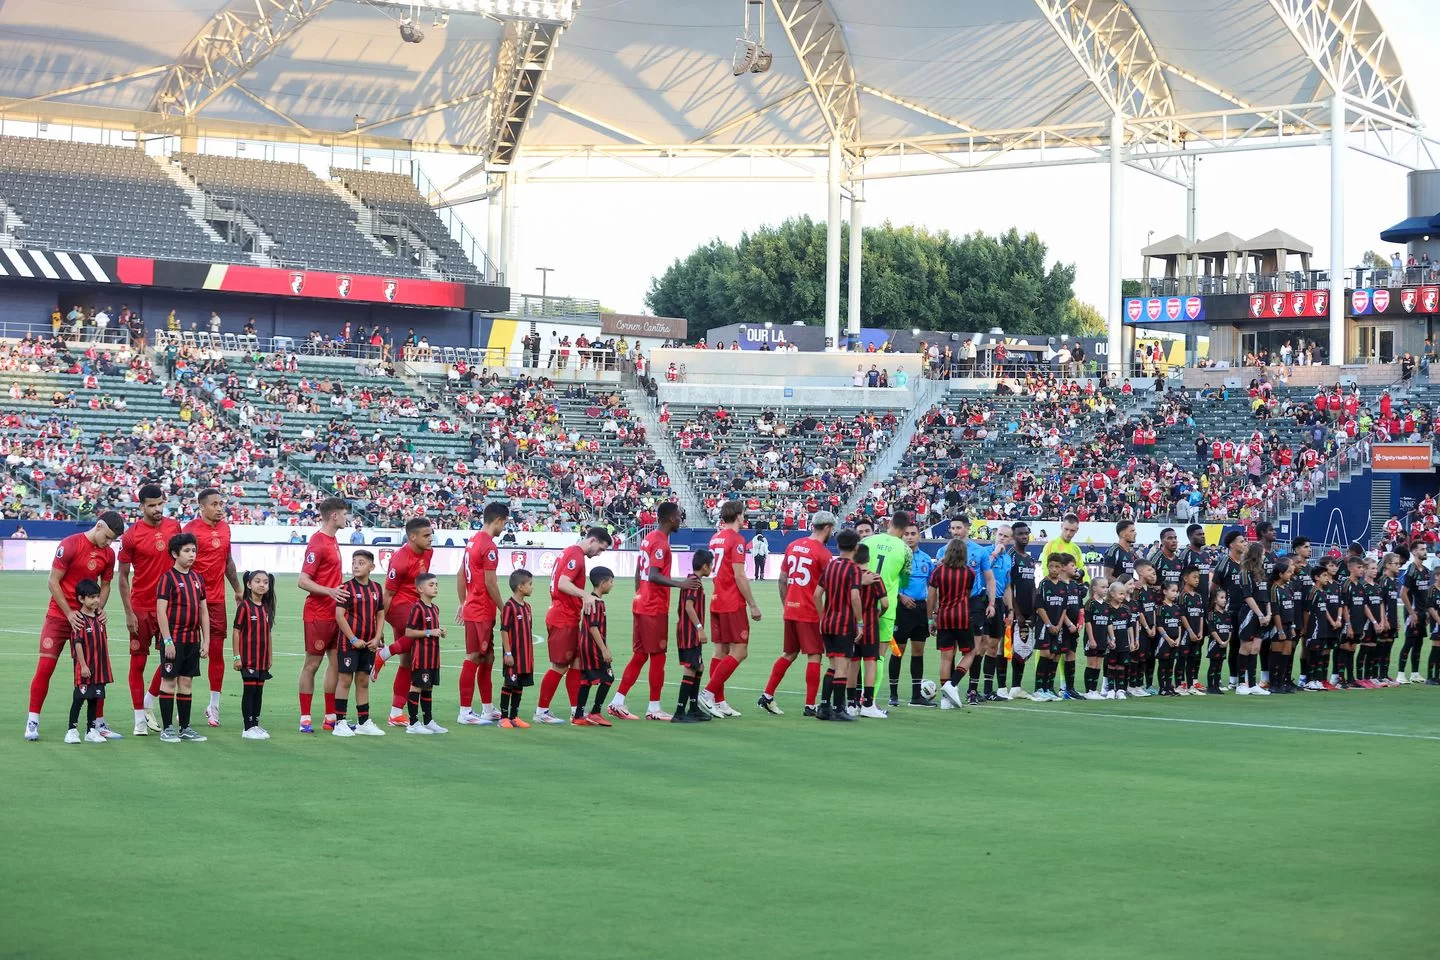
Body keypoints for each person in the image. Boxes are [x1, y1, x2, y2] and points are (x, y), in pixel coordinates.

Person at [25, 511, 123, 742]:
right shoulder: (70, 544)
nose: (108, 543)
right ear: (99, 526)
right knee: (45, 667)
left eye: (112, 540)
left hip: (88, 620)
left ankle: (97, 724)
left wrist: (97, 610)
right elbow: (53, 581)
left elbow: (106, 586)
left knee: (95, 672)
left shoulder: (109, 554)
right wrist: (70, 613)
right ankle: (32, 721)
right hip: (60, 616)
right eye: (107, 537)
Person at [610, 502, 698, 721]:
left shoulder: (648, 539)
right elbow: (653, 573)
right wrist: (680, 584)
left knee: (640, 655)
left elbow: (639, 572)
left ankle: (617, 702)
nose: (680, 519)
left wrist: (639, 594)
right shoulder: (660, 542)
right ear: (669, 519)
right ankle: (654, 708)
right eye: (678, 516)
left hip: (641, 603)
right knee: (658, 656)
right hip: (653, 607)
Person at [120, 484, 183, 737]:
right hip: (142, 607)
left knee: (172, 658)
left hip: (169, 606)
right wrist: (128, 612)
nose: (157, 509)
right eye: (152, 505)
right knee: (138, 662)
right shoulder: (131, 536)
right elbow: (122, 578)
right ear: (141, 506)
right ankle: (138, 720)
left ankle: (149, 700)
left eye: (160, 504)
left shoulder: (174, 527)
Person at [760, 511, 836, 716]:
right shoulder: (824, 554)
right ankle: (810, 705)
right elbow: (829, 588)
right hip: (810, 611)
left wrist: (786, 604)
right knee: (814, 656)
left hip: (791, 609)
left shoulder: (793, 545)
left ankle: (767, 695)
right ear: (827, 528)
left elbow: (782, 579)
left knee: (789, 653)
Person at [534, 527, 613, 725]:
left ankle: (576, 712)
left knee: (577, 664)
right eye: (600, 549)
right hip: (563, 616)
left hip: (567, 615)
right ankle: (541, 711)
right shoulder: (575, 555)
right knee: (559, 666)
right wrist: (585, 594)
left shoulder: (571, 553)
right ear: (592, 540)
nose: (599, 553)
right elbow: (562, 583)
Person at [698, 501, 763, 719]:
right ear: (737, 516)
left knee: (720, 652)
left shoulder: (715, 537)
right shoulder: (736, 539)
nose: (745, 518)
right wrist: (752, 604)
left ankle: (719, 701)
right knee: (740, 651)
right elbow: (739, 574)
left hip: (716, 599)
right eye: (743, 515)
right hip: (731, 602)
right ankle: (708, 693)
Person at [370, 517, 435, 727]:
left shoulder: (428, 552)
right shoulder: (399, 560)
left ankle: (396, 713)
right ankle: (383, 654)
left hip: (415, 606)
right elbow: (387, 594)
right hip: (397, 606)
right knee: (422, 632)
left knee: (407, 662)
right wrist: (378, 628)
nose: (430, 538)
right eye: (426, 535)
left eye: (431, 534)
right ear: (412, 537)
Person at [184, 488, 240, 729]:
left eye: (221, 503)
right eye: (215, 504)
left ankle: (214, 705)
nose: (220, 508)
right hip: (190, 600)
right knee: (186, 653)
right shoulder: (190, 530)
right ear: (202, 507)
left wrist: (237, 588)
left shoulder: (226, 529)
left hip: (216, 600)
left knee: (216, 652)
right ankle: (182, 702)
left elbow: (227, 562)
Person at [297, 498, 351, 734]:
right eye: (344, 514)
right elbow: (303, 580)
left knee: (337, 664)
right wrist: (330, 591)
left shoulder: (333, 540)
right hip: (318, 614)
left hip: (335, 614)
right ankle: (305, 717)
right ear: (334, 516)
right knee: (312, 664)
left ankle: (331, 717)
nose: (347, 518)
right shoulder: (318, 543)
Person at [457, 503, 509, 726]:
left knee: (488, 657)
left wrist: (462, 602)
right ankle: (465, 712)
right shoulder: (488, 546)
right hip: (481, 610)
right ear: (497, 520)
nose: (504, 527)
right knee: (474, 657)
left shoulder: (472, 541)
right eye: (505, 523)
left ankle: (487, 709)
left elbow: (461, 573)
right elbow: (490, 582)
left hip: (475, 607)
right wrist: (503, 607)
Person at [155, 532, 209, 742]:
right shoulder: (167, 579)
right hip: (174, 640)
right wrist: (167, 640)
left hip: (192, 641)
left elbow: (204, 611)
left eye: (193, 550)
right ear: (175, 554)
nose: (191, 555)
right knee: (168, 682)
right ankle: (167, 728)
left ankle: (185, 728)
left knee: (186, 683)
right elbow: (161, 611)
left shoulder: (197, 578)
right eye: (186, 551)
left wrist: (205, 640)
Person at [860, 511, 914, 701]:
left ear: (889, 522)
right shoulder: (906, 550)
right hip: (886, 606)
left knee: (856, 652)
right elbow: (905, 582)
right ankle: (869, 700)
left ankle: (852, 698)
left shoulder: (868, 541)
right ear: (906, 528)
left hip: (860, 604)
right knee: (879, 655)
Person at [332, 551, 386, 737]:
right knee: (345, 680)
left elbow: (380, 614)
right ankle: (340, 722)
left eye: (361, 563)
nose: (356, 566)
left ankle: (363, 721)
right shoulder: (346, 588)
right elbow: (339, 616)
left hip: (369, 644)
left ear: (371, 567)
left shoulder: (377, 588)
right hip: (349, 644)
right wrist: (353, 639)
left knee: (363, 681)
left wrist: (377, 637)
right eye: (354, 562)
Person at [815, 528, 864, 721]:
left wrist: (822, 617)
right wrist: (859, 622)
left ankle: (824, 707)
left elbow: (817, 595)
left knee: (833, 665)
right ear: (856, 547)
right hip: (844, 623)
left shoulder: (830, 566)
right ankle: (838, 708)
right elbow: (854, 597)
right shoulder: (853, 569)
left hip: (828, 622)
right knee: (843, 665)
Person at [928, 536, 977, 709]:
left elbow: (931, 597)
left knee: (946, 657)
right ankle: (952, 684)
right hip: (962, 616)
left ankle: (945, 700)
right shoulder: (970, 572)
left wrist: (931, 618)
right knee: (970, 653)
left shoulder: (938, 571)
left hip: (943, 617)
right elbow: (968, 594)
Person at [890, 521, 936, 707]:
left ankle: (916, 696)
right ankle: (893, 695)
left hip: (920, 608)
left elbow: (932, 586)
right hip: (901, 608)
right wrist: (901, 596)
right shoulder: (897, 556)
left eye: (913, 533)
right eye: (906, 533)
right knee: (897, 652)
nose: (909, 536)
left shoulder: (926, 559)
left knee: (918, 652)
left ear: (919, 536)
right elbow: (889, 581)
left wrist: (932, 612)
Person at [65, 580, 112, 744]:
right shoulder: (79, 619)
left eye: (97, 596)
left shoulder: (100, 618)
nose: (96, 600)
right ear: (81, 599)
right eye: (91, 597)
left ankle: (91, 730)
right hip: (85, 667)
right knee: (79, 698)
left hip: (99, 668)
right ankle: (71, 729)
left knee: (94, 698)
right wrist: (83, 665)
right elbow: (77, 643)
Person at [400, 573, 446, 734]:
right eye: (431, 585)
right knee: (417, 686)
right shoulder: (417, 608)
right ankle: (413, 723)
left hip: (434, 657)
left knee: (428, 688)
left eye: (436, 585)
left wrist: (439, 631)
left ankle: (428, 721)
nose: (435, 587)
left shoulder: (435, 608)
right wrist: (429, 632)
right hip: (422, 656)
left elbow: (433, 629)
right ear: (420, 589)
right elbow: (409, 632)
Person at [233, 570, 276, 740]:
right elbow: (236, 632)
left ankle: (255, 724)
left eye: (265, 582)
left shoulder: (266, 608)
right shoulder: (244, 606)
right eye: (257, 581)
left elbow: (268, 633)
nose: (261, 585)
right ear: (249, 585)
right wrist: (237, 656)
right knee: (249, 691)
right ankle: (247, 726)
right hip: (248, 658)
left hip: (261, 659)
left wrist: (270, 656)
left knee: (259, 692)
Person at [848, 543, 889, 717]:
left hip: (852, 624)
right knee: (870, 662)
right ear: (869, 558)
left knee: (853, 663)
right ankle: (868, 704)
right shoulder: (874, 578)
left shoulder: (850, 577)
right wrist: (880, 612)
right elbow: (885, 603)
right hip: (871, 624)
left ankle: (851, 704)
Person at [672, 550, 713, 723]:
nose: (711, 568)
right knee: (691, 667)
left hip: (687, 630)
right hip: (690, 633)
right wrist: (699, 628)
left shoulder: (692, 580)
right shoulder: (694, 583)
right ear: (704, 566)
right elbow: (689, 607)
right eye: (710, 565)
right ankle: (679, 712)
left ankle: (693, 707)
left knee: (699, 666)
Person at [572, 567, 616, 726]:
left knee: (586, 680)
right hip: (592, 647)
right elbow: (593, 627)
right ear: (603, 583)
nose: (612, 585)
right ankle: (595, 712)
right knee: (609, 677)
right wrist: (604, 649)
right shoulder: (594, 601)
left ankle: (578, 716)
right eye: (611, 582)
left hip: (586, 645)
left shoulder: (591, 599)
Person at [498, 569, 537, 728]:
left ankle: (514, 716)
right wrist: (508, 653)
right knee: (509, 684)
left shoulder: (527, 607)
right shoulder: (509, 606)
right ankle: (503, 717)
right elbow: (504, 630)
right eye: (530, 584)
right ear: (521, 587)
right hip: (513, 655)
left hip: (525, 656)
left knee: (520, 685)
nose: (532, 587)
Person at [1003, 522, 1037, 699]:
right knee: (1006, 648)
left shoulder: (1030, 559)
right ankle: (1002, 687)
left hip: (1027, 611)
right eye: (1020, 534)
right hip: (1012, 610)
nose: (1024, 536)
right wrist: (1015, 612)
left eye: (1026, 533)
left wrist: (1033, 609)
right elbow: (1008, 586)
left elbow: (1032, 586)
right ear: (1013, 537)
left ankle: (1016, 686)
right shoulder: (1011, 556)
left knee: (1022, 648)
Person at [1398, 541, 1435, 684]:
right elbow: (1403, 593)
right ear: (1414, 552)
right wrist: (1411, 612)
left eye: (1425, 549)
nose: (1425, 551)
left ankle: (1415, 673)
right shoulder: (1411, 570)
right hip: (1412, 614)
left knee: (1419, 643)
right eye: (1422, 549)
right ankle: (1401, 674)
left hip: (1423, 614)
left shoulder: (1425, 571)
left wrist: (1426, 613)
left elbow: (1424, 594)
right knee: (1409, 642)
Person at [1081, 576, 1110, 699]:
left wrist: (1110, 639)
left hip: (1102, 639)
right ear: (1094, 588)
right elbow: (1088, 623)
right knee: (1091, 664)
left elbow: (1108, 623)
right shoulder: (1090, 603)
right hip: (1092, 639)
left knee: (1098, 665)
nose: (1105, 590)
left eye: (1107, 587)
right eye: (1103, 587)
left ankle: (1094, 689)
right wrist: (1091, 639)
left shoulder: (1106, 605)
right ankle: (1089, 691)